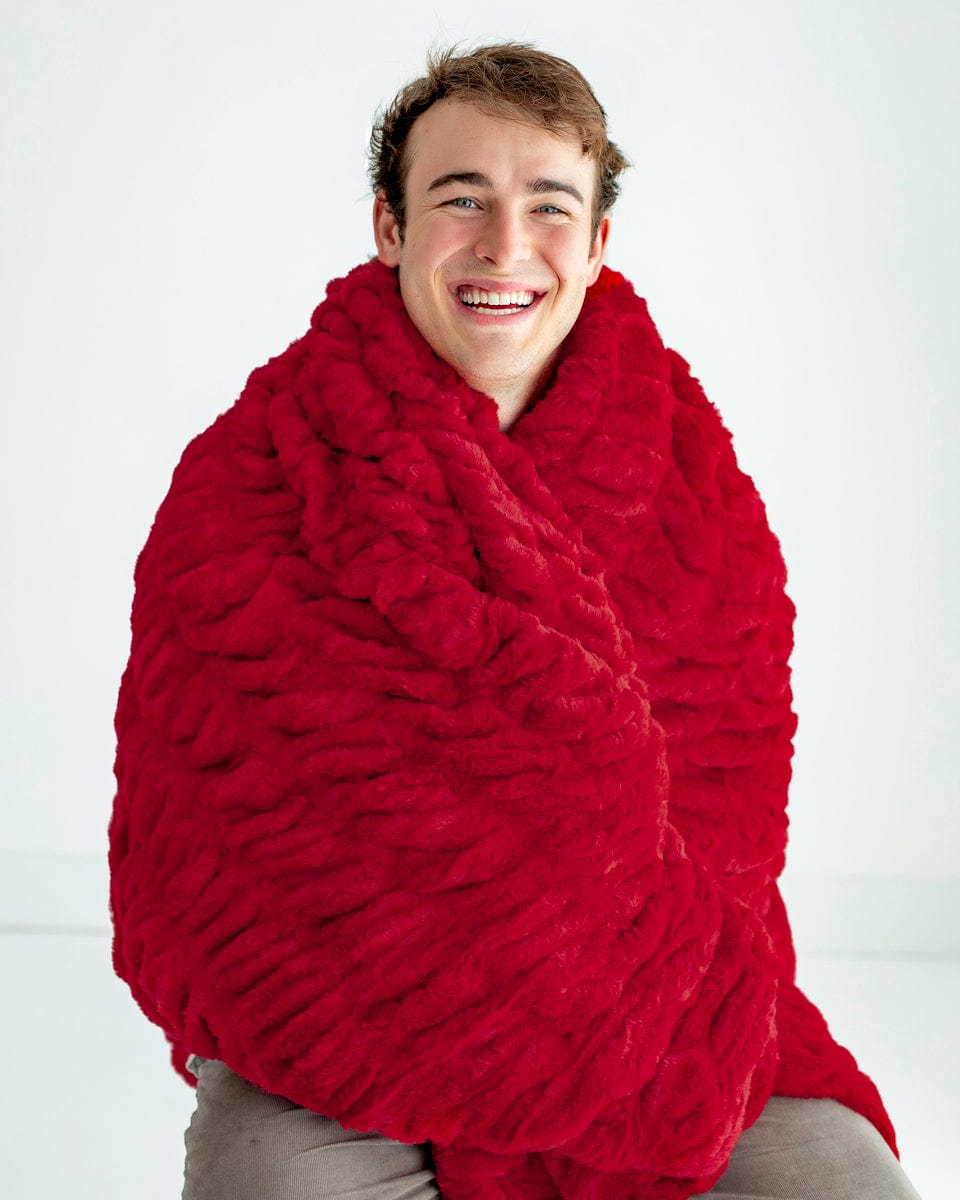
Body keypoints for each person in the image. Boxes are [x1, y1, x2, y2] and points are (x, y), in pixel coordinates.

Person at [109, 44, 921, 1200]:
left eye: (548, 206)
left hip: (655, 1011)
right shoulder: (253, 476)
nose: (504, 246)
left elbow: (727, 809)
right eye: (461, 199)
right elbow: (209, 821)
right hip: (338, 1008)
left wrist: (578, 981)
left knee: (850, 1187)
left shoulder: (690, 485)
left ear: (596, 244)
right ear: (389, 227)